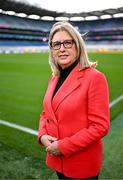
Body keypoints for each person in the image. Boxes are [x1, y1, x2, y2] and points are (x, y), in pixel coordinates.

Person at [38, 21, 110, 179]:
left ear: (78, 45)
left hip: (81, 165)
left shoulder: (95, 78)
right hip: (57, 161)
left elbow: (100, 126)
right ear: (52, 50)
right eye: (56, 44)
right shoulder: (55, 78)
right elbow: (46, 112)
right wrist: (42, 135)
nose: (62, 48)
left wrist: (63, 146)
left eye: (67, 43)